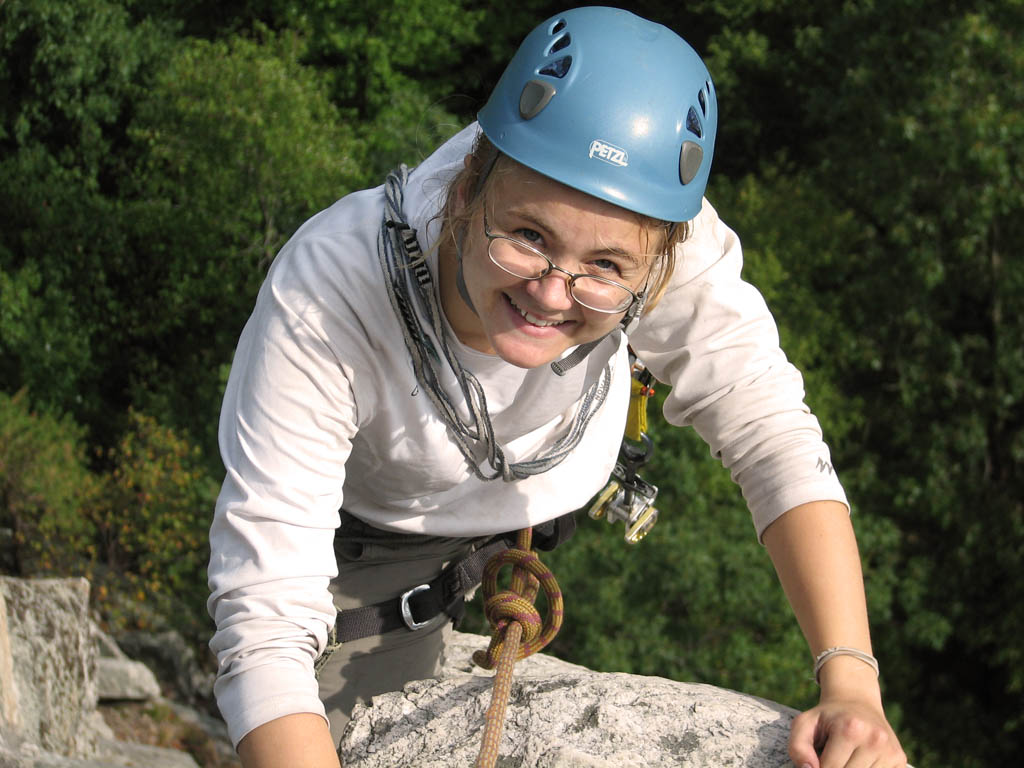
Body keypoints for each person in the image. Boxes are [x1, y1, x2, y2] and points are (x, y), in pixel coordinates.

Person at [207, 7, 908, 768]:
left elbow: (773, 435)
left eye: (606, 268)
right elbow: (265, 627)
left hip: (531, 501)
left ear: (663, 256)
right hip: (374, 541)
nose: (551, 292)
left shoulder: (662, 231)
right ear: (469, 185)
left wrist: (853, 687)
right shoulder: (332, 292)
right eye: (529, 237)